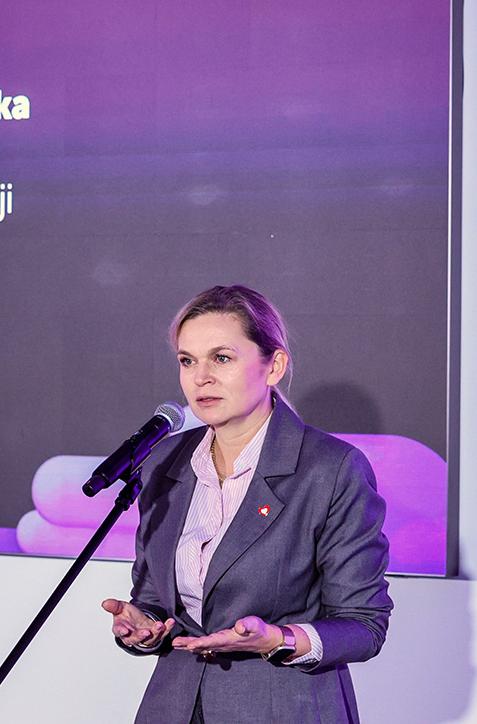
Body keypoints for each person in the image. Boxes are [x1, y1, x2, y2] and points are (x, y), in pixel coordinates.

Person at [102, 285, 392, 723]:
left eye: (221, 358)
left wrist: (277, 638)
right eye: (187, 361)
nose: (200, 378)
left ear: (274, 366)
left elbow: (364, 625)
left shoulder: (330, 469)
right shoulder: (165, 460)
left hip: (283, 709)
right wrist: (144, 627)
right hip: (173, 707)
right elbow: (155, 600)